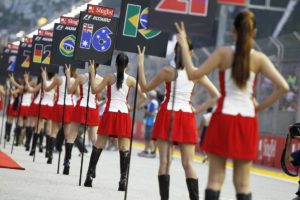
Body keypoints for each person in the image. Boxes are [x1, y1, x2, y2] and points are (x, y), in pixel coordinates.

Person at [175, 11, 290, 200]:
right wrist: (258, 107)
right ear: (254, 33)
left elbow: (193, 74)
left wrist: (184, 45)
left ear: (232, 30)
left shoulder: (223, 53)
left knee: (215, 179)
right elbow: (283, 87)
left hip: (223, 117)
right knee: (243, 184)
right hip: (247, 120)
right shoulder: (259, 58)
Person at [137, 43, 220, 200]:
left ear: (175, 52)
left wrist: (141, 63)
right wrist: (197, 110)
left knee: (164, 163)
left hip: (167, 114)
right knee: (189, 164)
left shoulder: (167, 71)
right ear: (191, 52)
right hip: (187, 116)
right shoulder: (197, 73)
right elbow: (216, 95)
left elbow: (145, 87)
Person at [83, 55, 146, 191]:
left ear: (115, 65)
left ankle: (89, 176)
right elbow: (144, 96)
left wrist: (92, 72)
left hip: (109, 113)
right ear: (127, 65)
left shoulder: (109, 77)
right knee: (124, 149)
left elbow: (94, 90)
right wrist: (131, 107)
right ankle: (123, 181)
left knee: (99, 145)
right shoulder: (131, 80)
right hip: (123, 114)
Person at [63, 64, 102, 175]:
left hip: (81, 106)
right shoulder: (101, 79)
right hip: (93, 107)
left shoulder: (80, 77)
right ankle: (92, 168)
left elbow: (70, 90)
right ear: (98, 67)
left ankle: (67, 162)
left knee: (72, 135)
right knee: (94, 138)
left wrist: (67, 75)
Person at [41, 67, 77, 164]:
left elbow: (47, 89)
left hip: (59, 105)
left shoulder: (58, 79)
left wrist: (44, 77)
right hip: (69, 106)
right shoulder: (75, 80)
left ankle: (50, 155)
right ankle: (67, 160)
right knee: (67, 135)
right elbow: (78, 93)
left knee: (54, 132)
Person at [138, 90, 159, 158]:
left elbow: (150, 113)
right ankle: (147, 150)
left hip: (150, 121)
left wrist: (143, 109)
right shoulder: (154, 102)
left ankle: (152, 151)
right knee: (148, 136)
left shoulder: (152, 102)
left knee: (148, 137)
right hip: (150, 121)